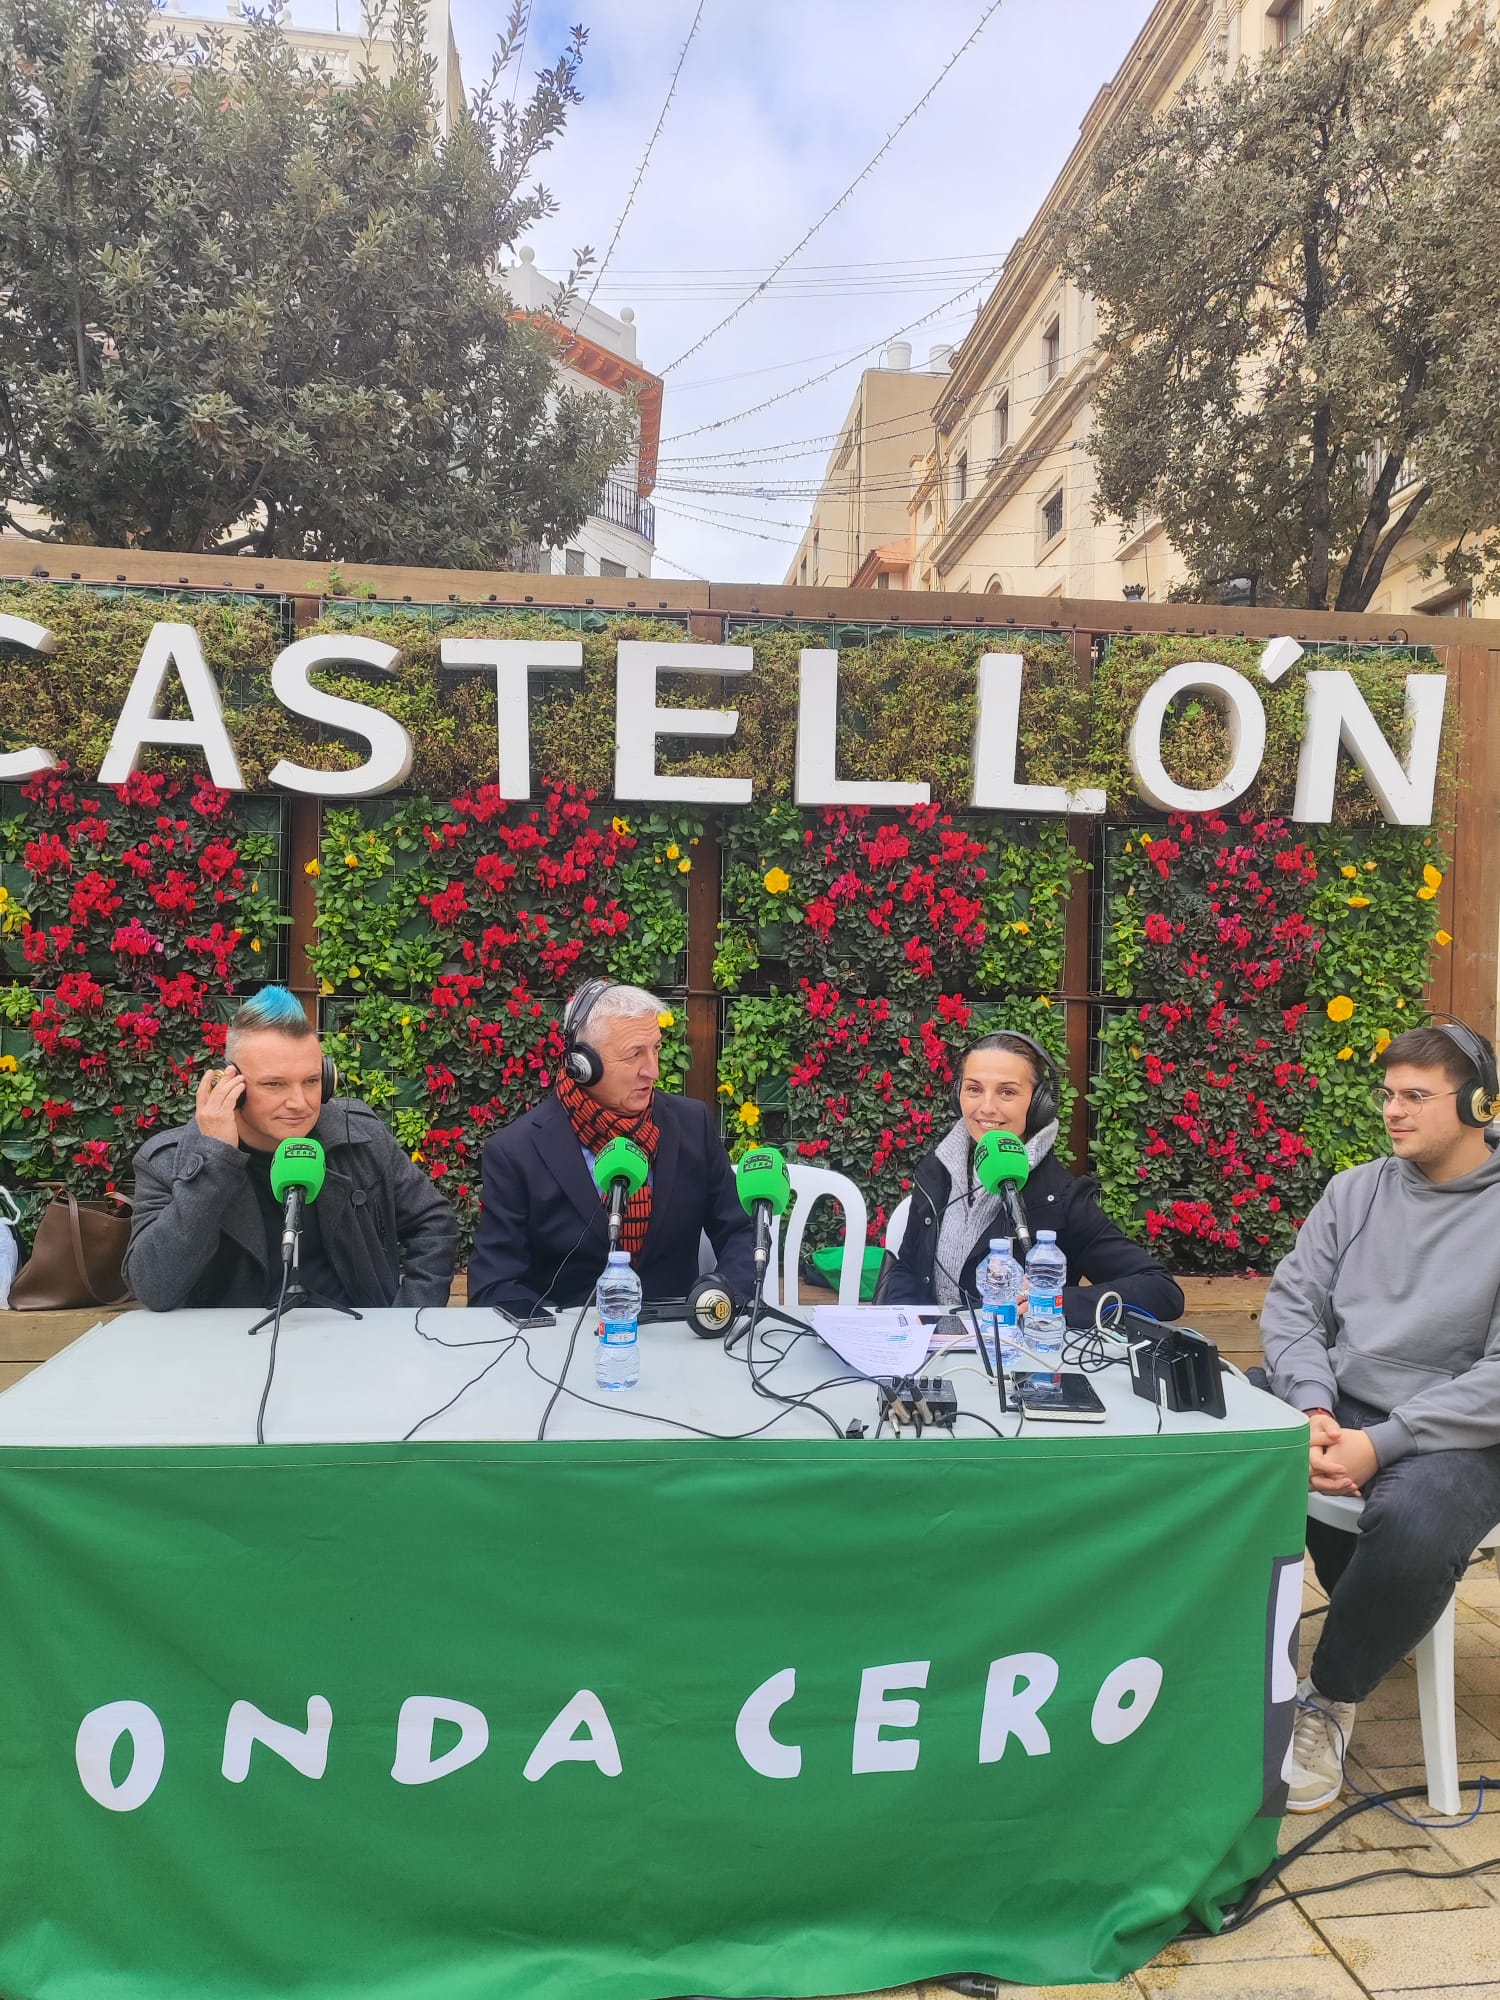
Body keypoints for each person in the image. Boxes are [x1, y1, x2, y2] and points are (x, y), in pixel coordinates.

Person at [1261, 1021, 1500, 1812]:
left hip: (1464, 1428)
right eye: (1388, 1095)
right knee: (1212, 1436)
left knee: (1416, 1526)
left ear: (1478, 1104)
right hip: (1340, 1402)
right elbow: (1294, 1304)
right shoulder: (1355, 1190)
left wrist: (1382, 1444)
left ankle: (1326, 1697)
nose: (1392, 1112)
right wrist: (1311, 1407)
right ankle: (1222, 1667)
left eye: (1415, 1097)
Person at [124, 986, 457, 1310]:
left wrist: (407, 1316)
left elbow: (433, 1224)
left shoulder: (361, 1137)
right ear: (231, 1087)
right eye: (274, 1084)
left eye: (311, 1081)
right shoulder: (165, 1161)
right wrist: (214, 1161)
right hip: (229, 1352)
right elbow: (155, 1287)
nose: (300, 1103)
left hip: (355, 1345)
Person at [468, 980, 755, 1314]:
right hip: (567, 1346)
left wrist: (718, 1300)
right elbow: (495, 1284)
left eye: (656, 1049)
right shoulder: (516, 1152)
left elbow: (740, 1232)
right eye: (635, 1054)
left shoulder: (692, 1124)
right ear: (583, 1064)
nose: (653, 1071)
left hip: (679, 1337)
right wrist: (556, 1332)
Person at [880, 1030, 1185, 1324]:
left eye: (1007, 1092)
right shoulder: (937, 1171)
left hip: (1018, 1362)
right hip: (930, 1360)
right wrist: (907, 1336)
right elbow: (906, 1268)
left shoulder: (1061, 1197)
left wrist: (1056, 1302)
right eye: (974, 1089)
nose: (986, 1107)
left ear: (1040, 1103)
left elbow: (1161, 1291)